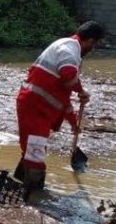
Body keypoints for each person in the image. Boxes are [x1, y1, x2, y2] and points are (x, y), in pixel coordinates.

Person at [14, 21, 106, 194]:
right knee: (36, 154)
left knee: (33, 150)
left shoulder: (67, 48)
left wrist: (73, 124)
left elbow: (63, 100)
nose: (93, 49)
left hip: (37, 107)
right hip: (34, 108)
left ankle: (20, 184)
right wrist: (81, 91)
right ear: (91, 41)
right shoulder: (69, 51)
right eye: (94, 44)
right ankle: (35, 200)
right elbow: (68, 75)